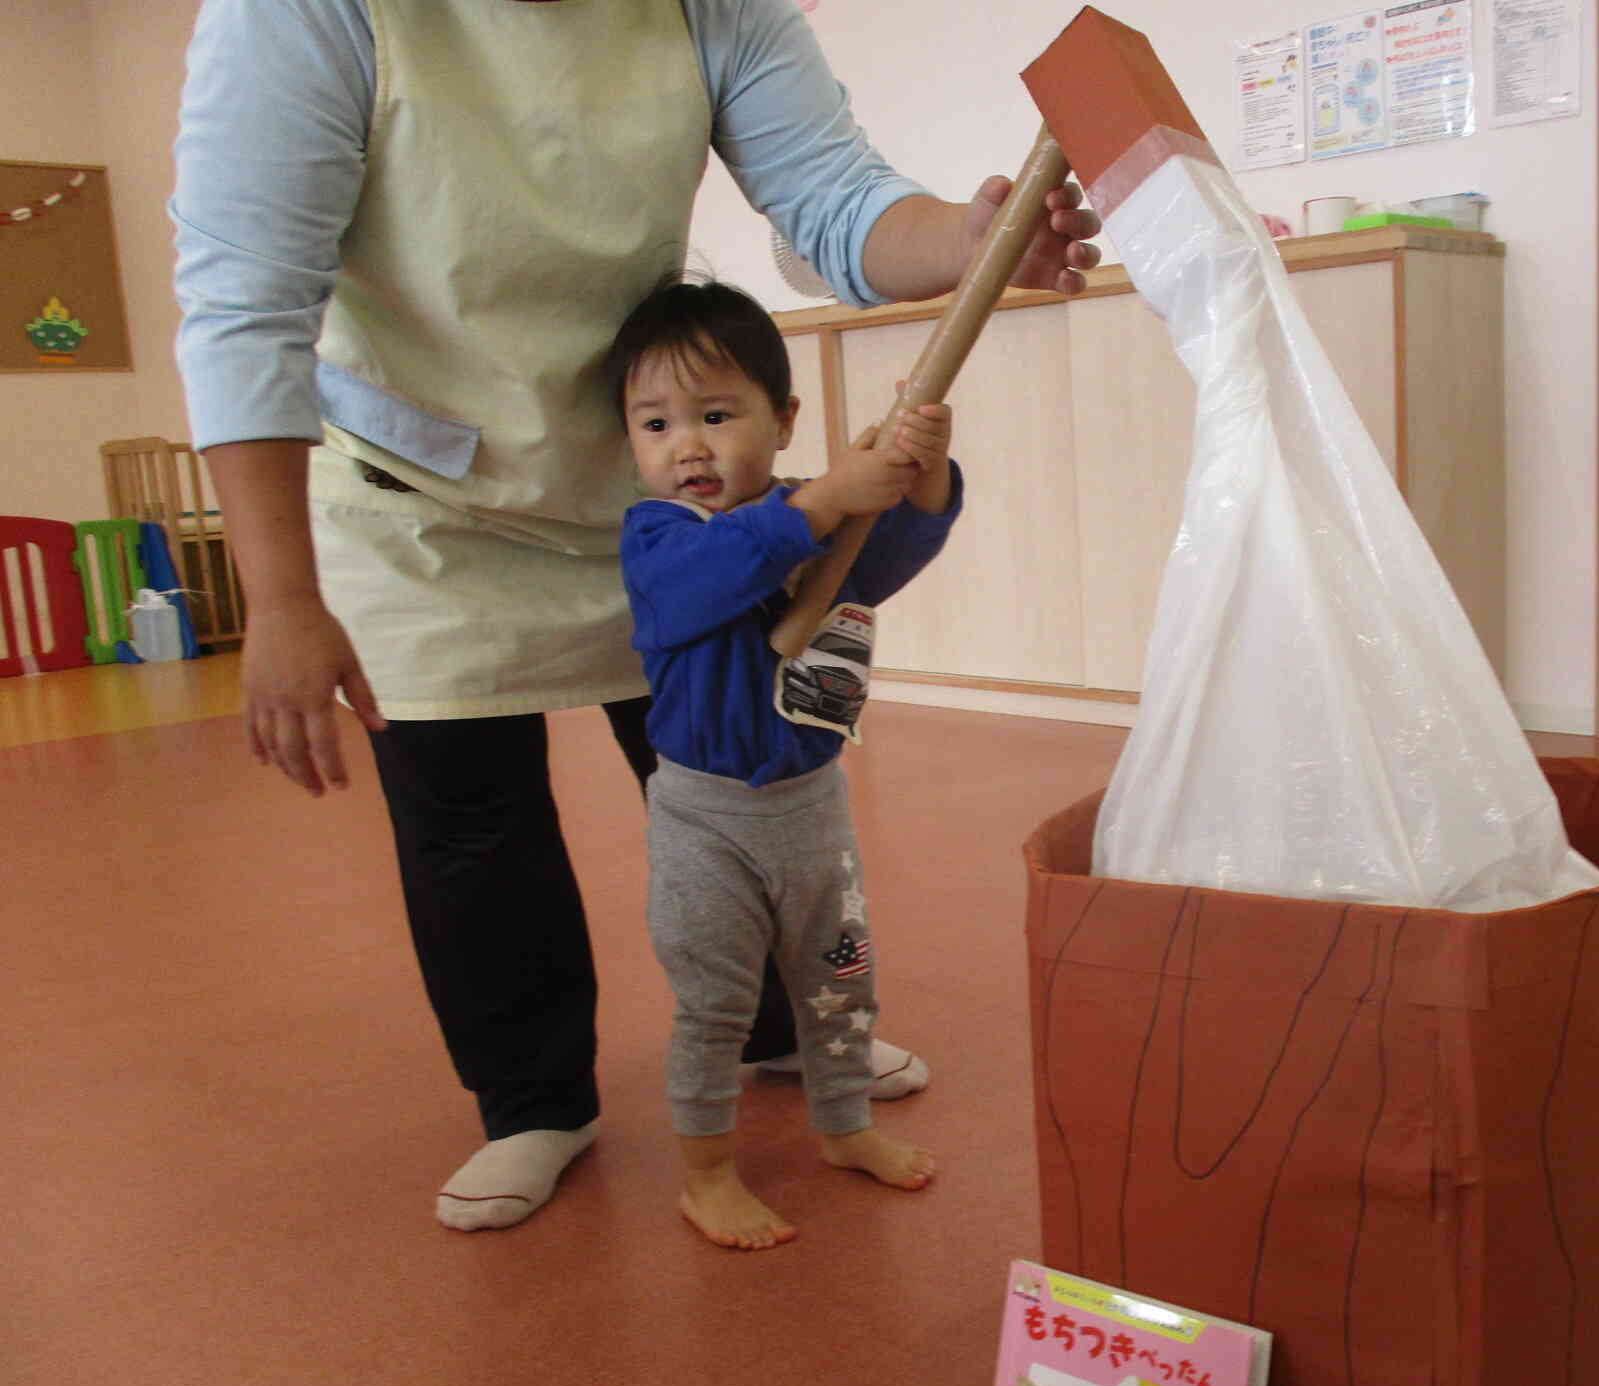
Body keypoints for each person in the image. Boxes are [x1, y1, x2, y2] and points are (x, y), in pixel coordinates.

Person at [170, 0, 1100, 1232]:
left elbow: (831, 197)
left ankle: (790, 1034)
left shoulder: (714, 6)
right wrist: (280, 595)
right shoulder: (304, 12)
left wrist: (972, 242)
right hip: (418, 491)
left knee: (726, 781)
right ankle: (532, 1099)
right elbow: (246, 305)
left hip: (649, 467)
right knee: (468, 811)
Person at [610, 277, 950, 1248]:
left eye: (716, 415)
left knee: (840, 979)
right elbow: (713, 579)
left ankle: (844, 1126)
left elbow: (887, 556)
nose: (688, 446)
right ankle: (706, 1174)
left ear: (782, 417)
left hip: (810, 809)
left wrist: (917, 475)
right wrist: (819, 503)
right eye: (656, 423)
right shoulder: (658, 537)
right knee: (715, 999)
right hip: (702, 818)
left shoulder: (811, 524)